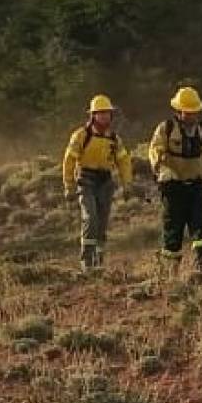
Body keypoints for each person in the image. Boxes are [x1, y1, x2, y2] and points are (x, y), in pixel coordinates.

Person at [62, 94, 133, 271]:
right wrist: (69, 185)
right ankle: (87, 260)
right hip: (85, 180)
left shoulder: (114, 139)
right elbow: (69, 160)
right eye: (100, 114)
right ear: (92, 116)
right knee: (90, 218)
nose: (104, 117)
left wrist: (127, 185)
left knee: (101, 222)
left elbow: (124, 162)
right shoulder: (81, 136)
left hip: (106, 182)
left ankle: (99, 258)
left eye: (107, 114)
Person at [149, 86, 202, 271]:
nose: (191, 116)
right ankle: (170, 270)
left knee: (201, 225)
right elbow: (155, 150)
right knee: (173, 228)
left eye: (194, 112)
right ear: (179, 111)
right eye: (188, 112)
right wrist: (161, 168)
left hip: (196, 184)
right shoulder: (166, 128)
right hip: (173, 186)